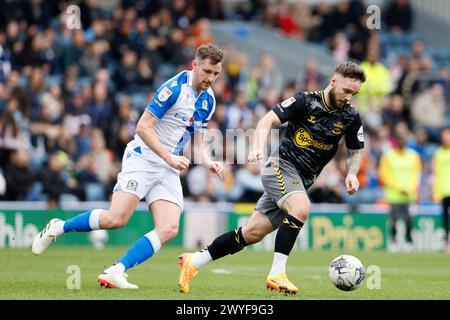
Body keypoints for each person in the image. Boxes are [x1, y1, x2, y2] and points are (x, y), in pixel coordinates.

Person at [32, 44, 225, 289]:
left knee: (169, 228)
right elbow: (142, 128)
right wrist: (168, 157)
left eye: (216, 74)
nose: (211, 78)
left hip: (168, 166)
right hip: (144, 158)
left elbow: (196, 139)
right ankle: (59, 227)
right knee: (116, 219)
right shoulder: (173, 89)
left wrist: (208, 161)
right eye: (207, 71)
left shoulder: (209, 100)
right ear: (195, 65)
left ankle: (116, 270)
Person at [178, 61, 366, 294]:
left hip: (301, 181)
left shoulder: (350, 116)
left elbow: (355, 151)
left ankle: (194, 261)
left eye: (354, 93)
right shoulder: (305, 100)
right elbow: (267, 120)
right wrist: (257, 147)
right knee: (301, 208)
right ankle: (277, 274)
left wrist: (352, 173)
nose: (349, 97)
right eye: (346, 91)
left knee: (251, 233)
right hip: (279, 166)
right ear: (334, 81)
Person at [379, 128, 421, 252]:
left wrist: (412, 189)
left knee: (409, 220)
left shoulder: (414, 156)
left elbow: (417, 174)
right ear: (396, 141)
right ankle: (393, 241)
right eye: (399, 139)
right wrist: (398, 188)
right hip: (394, 195)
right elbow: (384, 175)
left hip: (409, 194)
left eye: (403, 139)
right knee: (394, 219)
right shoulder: (389, 156)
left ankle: (408, 241)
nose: (401, 141)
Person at [433, 127, 450, 253]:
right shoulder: (438, 153)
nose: (446, 138)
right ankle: (447, 243)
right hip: (444, 190)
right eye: (444, 135)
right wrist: (436, 190)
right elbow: (435, 172)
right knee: (445, 219)